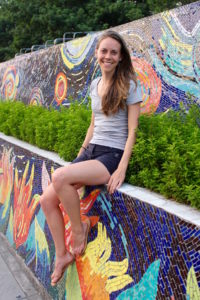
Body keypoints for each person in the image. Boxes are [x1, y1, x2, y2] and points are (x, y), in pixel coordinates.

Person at [40, 30, 142, 286]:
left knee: (60, 176)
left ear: (120, 58)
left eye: (113, 52)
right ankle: (62, 255)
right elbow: (93, 124)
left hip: (111, 155)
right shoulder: (95, 85)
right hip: (91, 151)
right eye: (104, 51)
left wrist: (121, 168)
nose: (108, 56)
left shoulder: (130, 85)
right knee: (46, 201)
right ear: (97, 54)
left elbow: (132, 131)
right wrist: (79, 156)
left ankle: (79, 229)